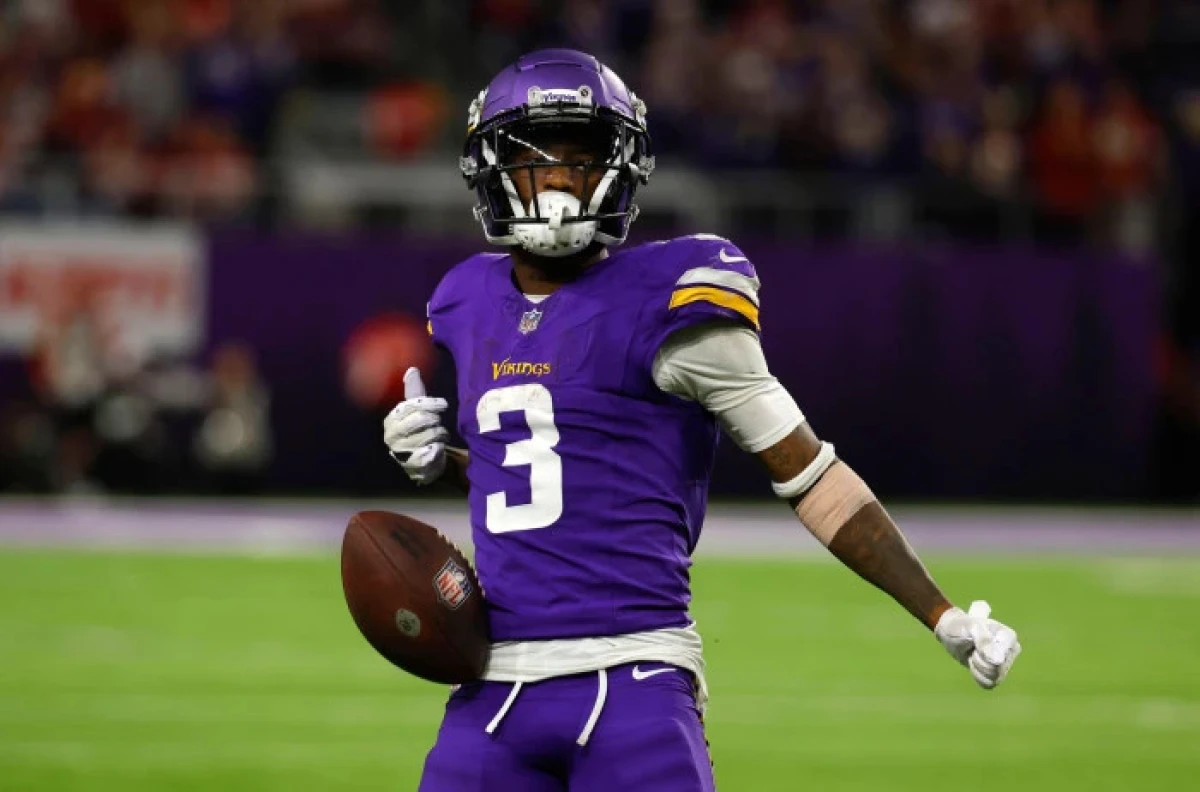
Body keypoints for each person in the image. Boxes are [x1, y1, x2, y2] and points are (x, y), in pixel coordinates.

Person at [383, 48, 1021, 792]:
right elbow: (543, 476)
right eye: (536, 157)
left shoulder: (676, 296)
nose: (558, 178)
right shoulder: (465, 301)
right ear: (488, 167)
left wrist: (941, 614)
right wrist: (444, 460)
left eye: (581, 157)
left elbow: (812, 475)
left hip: (634, 679)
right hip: (494, 683)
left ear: (621, 167)